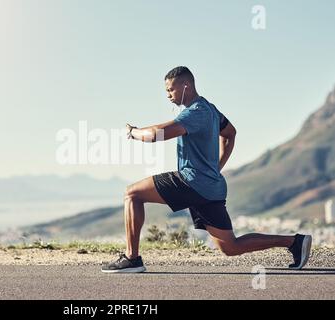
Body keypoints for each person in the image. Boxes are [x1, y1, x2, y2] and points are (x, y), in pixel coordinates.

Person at [101, 66, 312, 273]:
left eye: (170, 89)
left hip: (190, 181)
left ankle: (132, 258)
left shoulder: (195, 112)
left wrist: (133, 132)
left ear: (186, 86)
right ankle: (294, 242)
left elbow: (157, 134)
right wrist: (216, 167)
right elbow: (230, 133)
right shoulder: (210, 109)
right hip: (209, 188)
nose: (167, 95)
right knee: (231, 247)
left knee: (132, 193)